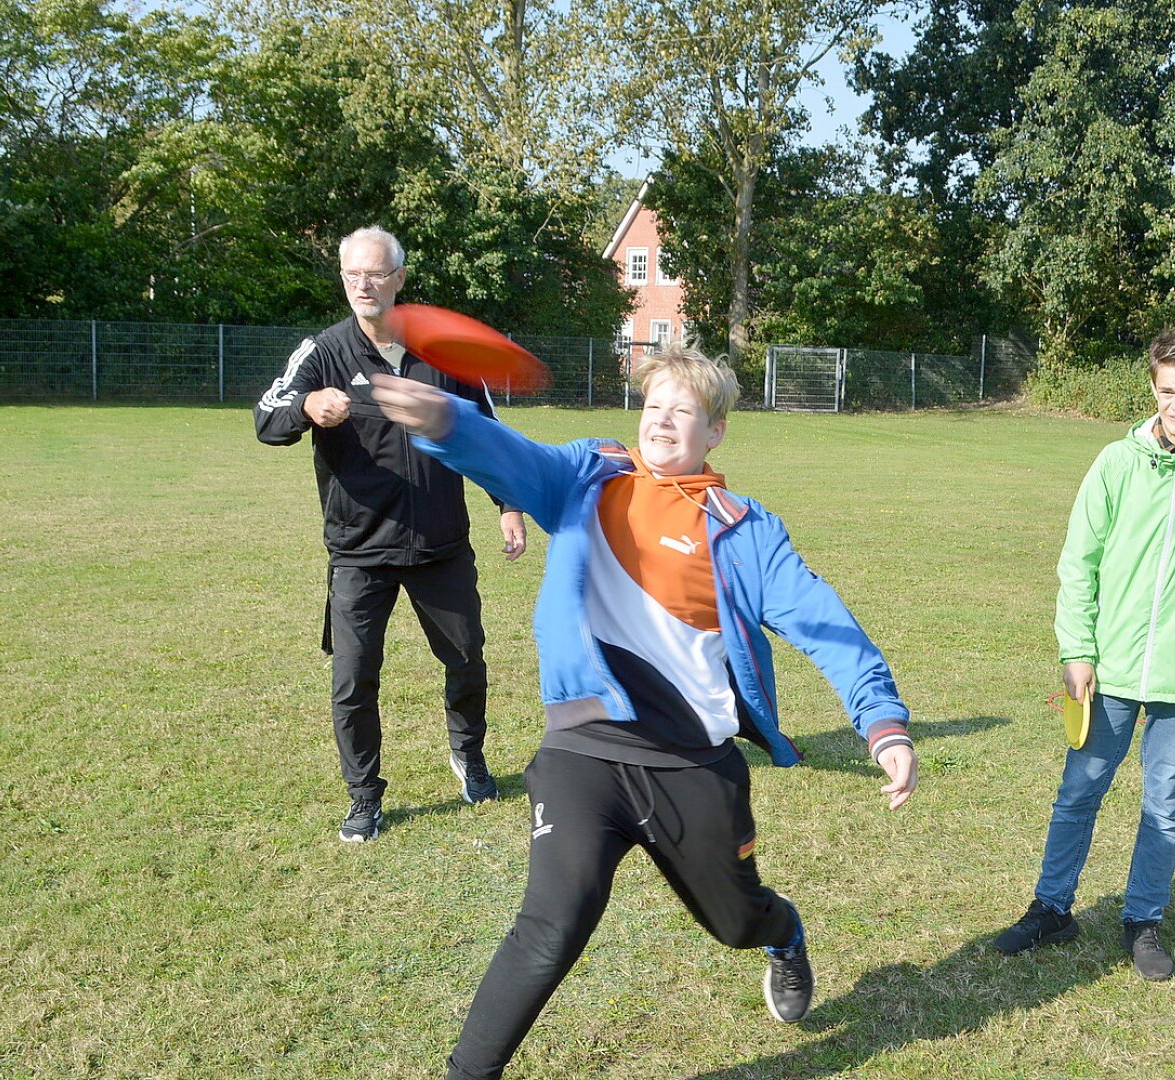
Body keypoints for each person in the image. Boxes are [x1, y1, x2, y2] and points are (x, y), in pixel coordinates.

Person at [369, 343, 919, 1080]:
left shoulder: (744, 528)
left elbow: (826, 625)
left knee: (735, 922)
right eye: (653, 406)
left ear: (714, 431)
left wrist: (881, 723)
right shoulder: (587, 477)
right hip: (582, 749)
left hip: (694, 764)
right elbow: (511, 459)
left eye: (682, 412)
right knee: (553, 920)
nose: (661, 421)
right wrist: (447, 420)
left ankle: (784, 936)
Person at [993, 327, 1175, 980]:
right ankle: (1051, 909)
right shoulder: (1115, 463)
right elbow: (1077, 561)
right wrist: (1076, 650)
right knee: (1078, 791)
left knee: (1165, 804)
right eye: (1168, 391)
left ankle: (1142, 919)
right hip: (1107, 666)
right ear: (1152, 388)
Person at [254, 226, 528, 842]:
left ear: (400, 278)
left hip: (441, 545)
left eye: (376, 273)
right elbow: (264, 417)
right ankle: (364, 797)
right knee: (353, 681)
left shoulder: (445, 352)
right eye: (353, 275)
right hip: (359, 550)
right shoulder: (322, 352)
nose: (364, 285)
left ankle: (469, 755)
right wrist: (306, 409)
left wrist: (509, 503)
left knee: (465, 662)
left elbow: (489, 435)